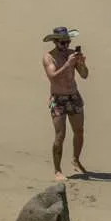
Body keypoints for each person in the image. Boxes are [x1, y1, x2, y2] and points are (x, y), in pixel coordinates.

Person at [41, 27, 89, 181]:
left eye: (68, 42)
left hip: (74, 97)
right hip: (58, 99)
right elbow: (53, 77)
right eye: (62, 43)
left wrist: (81, 64)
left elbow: (85, 75)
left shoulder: (71, 55)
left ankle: (76, 159)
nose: (66, 46)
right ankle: (57, 170)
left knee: (79, 131)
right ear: (55, 42)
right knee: (60, 135)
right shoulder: (49, 57)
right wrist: (68, 64)